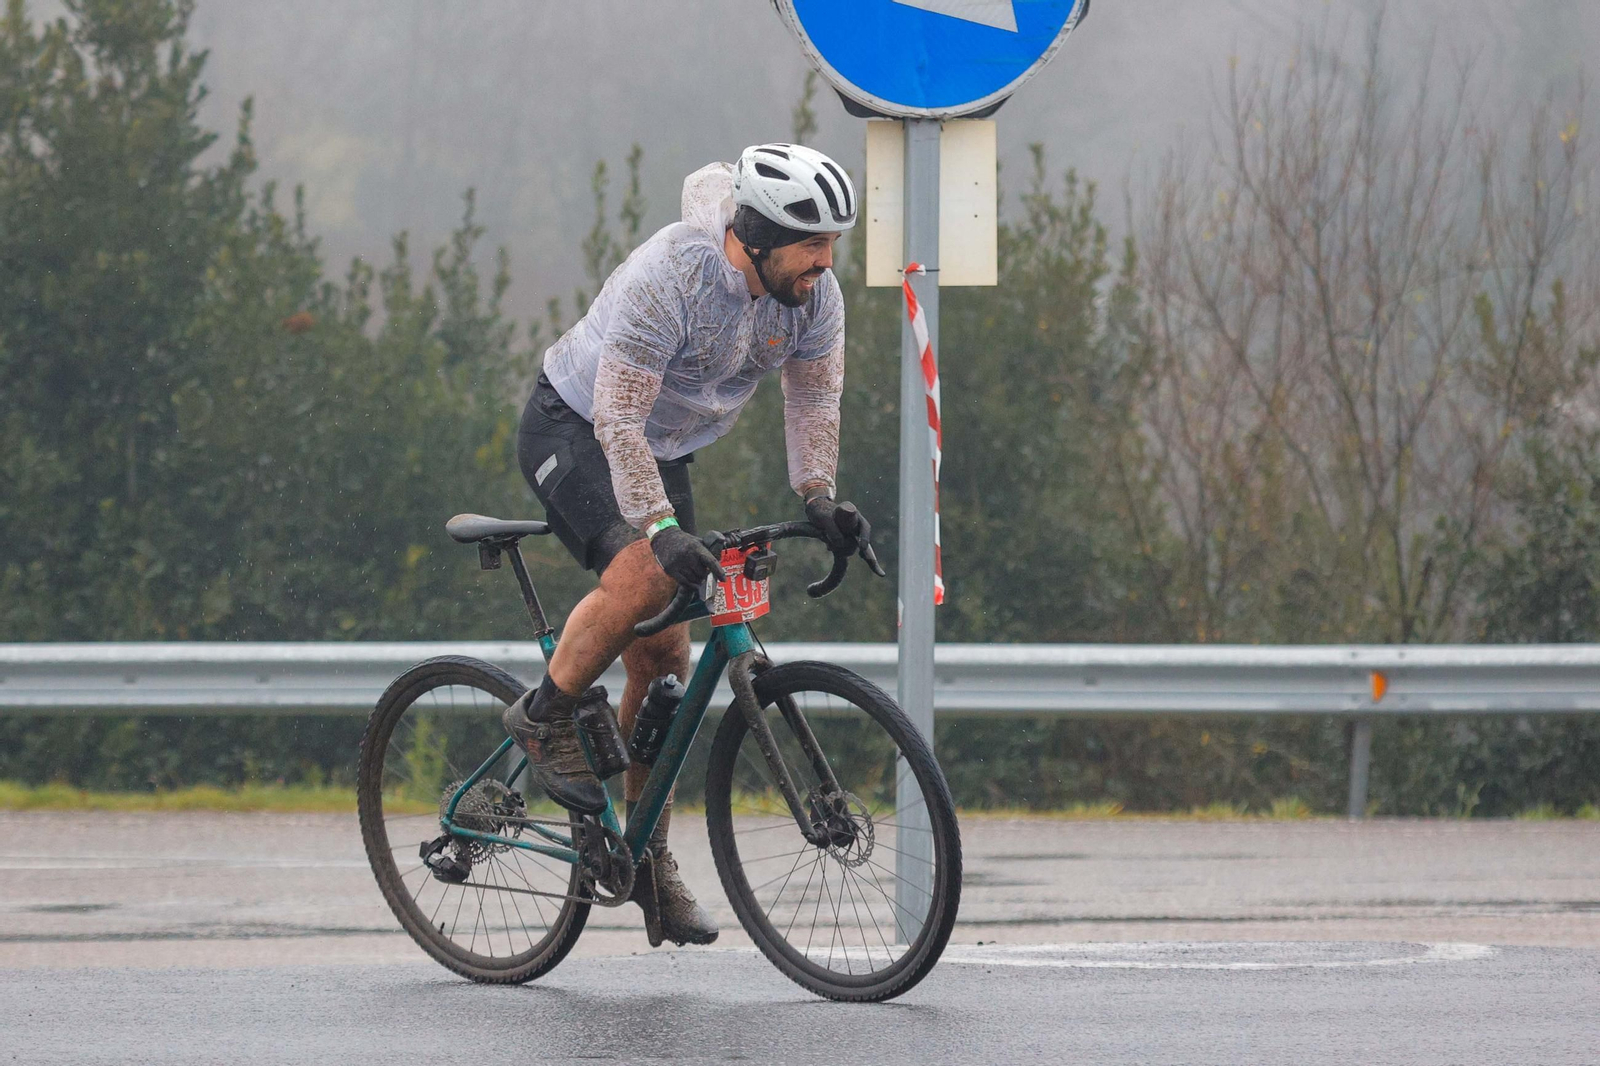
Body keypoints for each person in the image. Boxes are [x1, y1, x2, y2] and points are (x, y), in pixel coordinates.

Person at [506, 143, 874, 948]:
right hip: (577, 426)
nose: (826, 262)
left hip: (663, 446)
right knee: (647, 577)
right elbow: (616, 421)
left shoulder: (813, 297)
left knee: (666, 661)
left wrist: (818, 496)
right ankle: (543, 716)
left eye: (833, 244)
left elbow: (814, 399)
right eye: (812, 245)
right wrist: (662, 530)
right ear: (756, 235)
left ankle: (645, 859)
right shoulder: (669, 275)